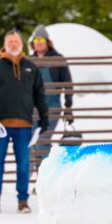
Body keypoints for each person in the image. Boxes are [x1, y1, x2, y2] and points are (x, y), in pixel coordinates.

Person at [0, 30, 48, 213]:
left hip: (24, 125)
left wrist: (44, 117)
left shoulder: (31, 68)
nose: (13, 44)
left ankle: (23, 201)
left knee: (24, 164)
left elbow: (39, 95)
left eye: (16, 41)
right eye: (10, 41)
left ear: (21, 44)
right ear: (4, 44)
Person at [28, 25, 73, 169]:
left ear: (47, 41)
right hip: (33, 109)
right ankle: (39, 176)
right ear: (33, 43)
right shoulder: (28, 61)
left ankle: (48, 172)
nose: (39, 43)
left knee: (42, 140)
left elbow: (68, 83)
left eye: (42, 39)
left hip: (52, 107)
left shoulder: (58, 59)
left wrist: (68, 107)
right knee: (33, 142)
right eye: (36, 40)